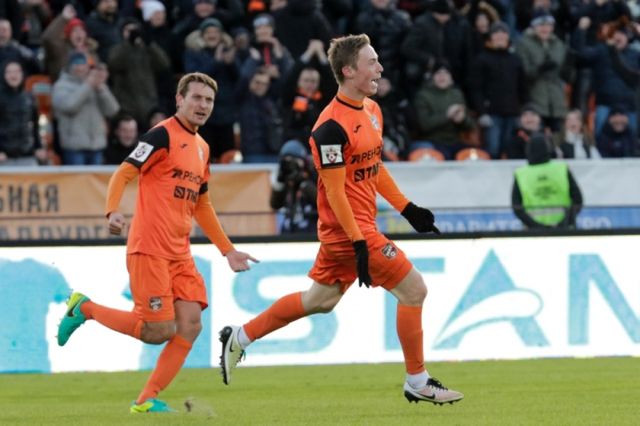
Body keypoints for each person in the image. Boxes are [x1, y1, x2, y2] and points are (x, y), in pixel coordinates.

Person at [219, 34, 464, 405]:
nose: (380, 68)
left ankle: (239, 336)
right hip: (347, 232)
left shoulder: (372, 109)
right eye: (372, 62)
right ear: (348, 71)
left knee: (319, 300)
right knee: (414, 290)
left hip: (356, 229)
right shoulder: (329, 129)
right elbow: (334, 194)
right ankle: (417, 380)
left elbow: (373, 166)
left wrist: (407, 208)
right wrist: (360, 241)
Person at [56, 72, 258, 413]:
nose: (203, 105)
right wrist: (112, 211)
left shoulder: (203, 148)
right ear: (179, 99)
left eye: (208, 100)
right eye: (196, 98)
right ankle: (84, 309)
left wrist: (228, 250)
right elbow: (124, 172)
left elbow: (202, 204)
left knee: (191, 324)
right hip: (149, 247)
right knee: (157, 331)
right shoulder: (162, 134)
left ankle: (146, 400)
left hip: (180, 252)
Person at [51, 52, 120, 165]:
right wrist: (88, 85)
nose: (80, 68)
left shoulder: (95, 84)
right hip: (74, 147)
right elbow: (69, 106)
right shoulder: (61, 86)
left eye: (83, 64)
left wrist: (101, 89)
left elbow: (113, 110)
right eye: (76, 64)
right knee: (76, 177)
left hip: (96, 145)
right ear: (69, 66)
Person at [512, 133, 583, 229]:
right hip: (564, 230)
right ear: (548, 148)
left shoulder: (521, 174)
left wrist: (537, 227)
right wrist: (564, 223)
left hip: (533, 232)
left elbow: (517, 207)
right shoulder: (562, 169)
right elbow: (577, 200)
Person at [270, 140, 318, 233]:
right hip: (289, 231)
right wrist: (280, 182)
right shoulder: (285, 179)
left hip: (311, 230)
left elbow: (322, 202)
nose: (290, 166)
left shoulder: (313, 175)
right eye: (286, 162)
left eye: (293, 161)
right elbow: (275, 205)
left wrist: (304, 183)